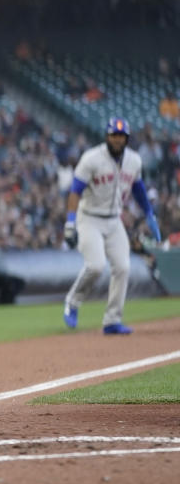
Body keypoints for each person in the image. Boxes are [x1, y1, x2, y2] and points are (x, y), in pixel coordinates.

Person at [62, 118, 161, 335]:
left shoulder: (134, 161)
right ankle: (73, 302)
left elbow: (139, 190)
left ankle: (112, 320)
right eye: (113, 135)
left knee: (123, 267)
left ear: (127, 138)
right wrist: (70, 221)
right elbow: (75, 191)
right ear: (107, 136)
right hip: (89, 218)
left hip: (114, 220)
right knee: (96, 266)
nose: (117, 139)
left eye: (121, 136)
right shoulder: (91, 158)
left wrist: (149, 214)